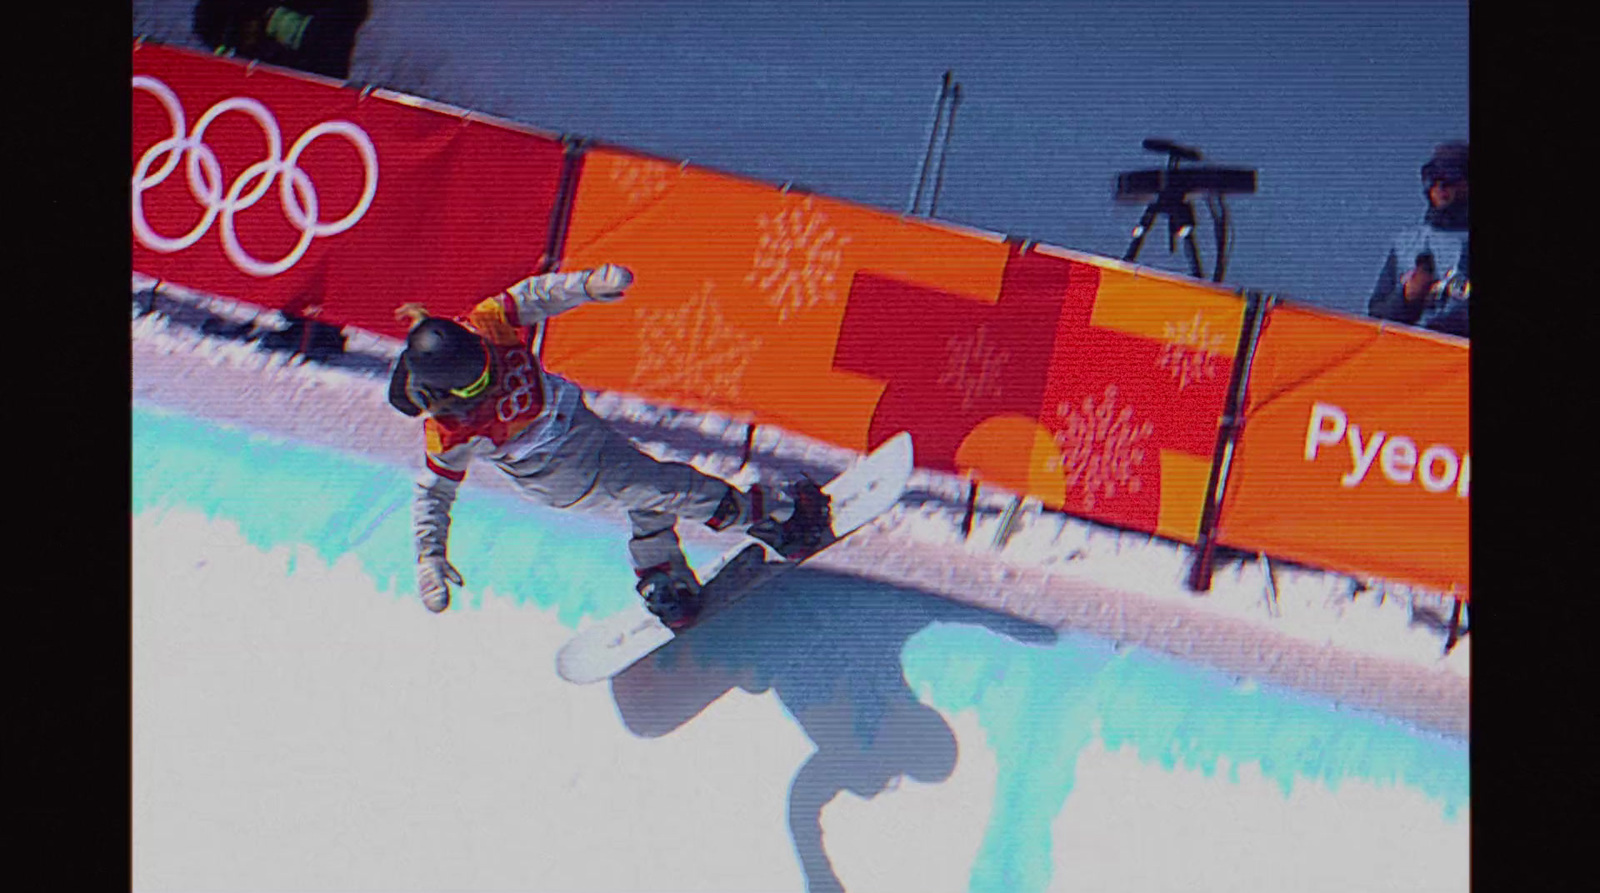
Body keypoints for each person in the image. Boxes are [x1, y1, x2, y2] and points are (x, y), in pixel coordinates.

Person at [387, 264, 831, 626]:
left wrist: (585, 286)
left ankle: (665, 579)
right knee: (669, 486)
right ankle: (776, 516)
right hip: (560, 471)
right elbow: (433, 492)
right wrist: (429, 554)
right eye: (479, 383)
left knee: (647, 490)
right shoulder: (450, 431)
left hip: (581, 431)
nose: (493, 375)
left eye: (487, 363)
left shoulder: (484, 325)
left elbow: (534, 295)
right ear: (450, 394)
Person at [1369, 142, 1470, 339]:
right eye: (1433, 178)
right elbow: (1375, 317)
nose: (1440, 187)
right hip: (1412, 358)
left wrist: (1446, 322)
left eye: (1450, 178)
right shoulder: (1407, 244)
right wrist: (1407, 298)